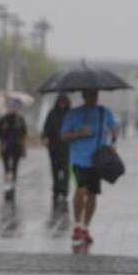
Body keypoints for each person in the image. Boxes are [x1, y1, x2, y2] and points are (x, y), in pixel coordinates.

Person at [60, 88, 119, 247]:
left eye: (95, 94)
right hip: (78, 160)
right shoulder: (73, 114)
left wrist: (113, 141)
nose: (93, 97)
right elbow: (63, 136)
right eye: (90, 94)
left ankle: (86, 227)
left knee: (92, 194)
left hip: (97, 160)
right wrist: (79, 133)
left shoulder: (104, 112)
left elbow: (114, 129)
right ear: (84, 96)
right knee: (81, 190)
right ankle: (77, 226)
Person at [42, 94, 72, 206]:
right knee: (55, 170)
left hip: (67, 147)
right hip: (54, 147)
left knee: (65, 171)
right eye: (60, 101)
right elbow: (46, 127)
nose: (62, 104)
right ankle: (56, 190)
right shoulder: (52, 113)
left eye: (64, 101)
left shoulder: (71, 114)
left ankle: (64, 191)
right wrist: (45, 137)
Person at [0, 102, 27, 200]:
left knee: (14, 168)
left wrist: (19, 130)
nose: (13, 109)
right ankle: (7, 187)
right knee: (6, 168)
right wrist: (4, 130)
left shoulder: (20, 120)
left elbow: (24, 132)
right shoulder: (3, 120)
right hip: (6, 147)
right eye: (11, 107)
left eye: (15, 108)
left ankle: (12, 186)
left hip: (16, 147)